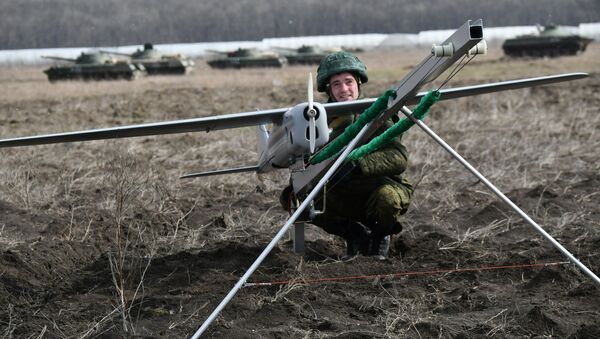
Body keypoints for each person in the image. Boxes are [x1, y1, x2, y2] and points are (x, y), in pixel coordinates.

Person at [281, 51, 413, 261]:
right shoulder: (318, 120)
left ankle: (379, 238)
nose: (344, 89)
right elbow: (303, 163)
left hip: (377, 189)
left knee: (387, 199)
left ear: (358, 83)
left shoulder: (378, 112)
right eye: (336, 84)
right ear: (328, 89)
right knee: (296, 198)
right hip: (339, 192)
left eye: (348, 82)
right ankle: (354, 235)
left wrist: (359, 164)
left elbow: (398, 157)